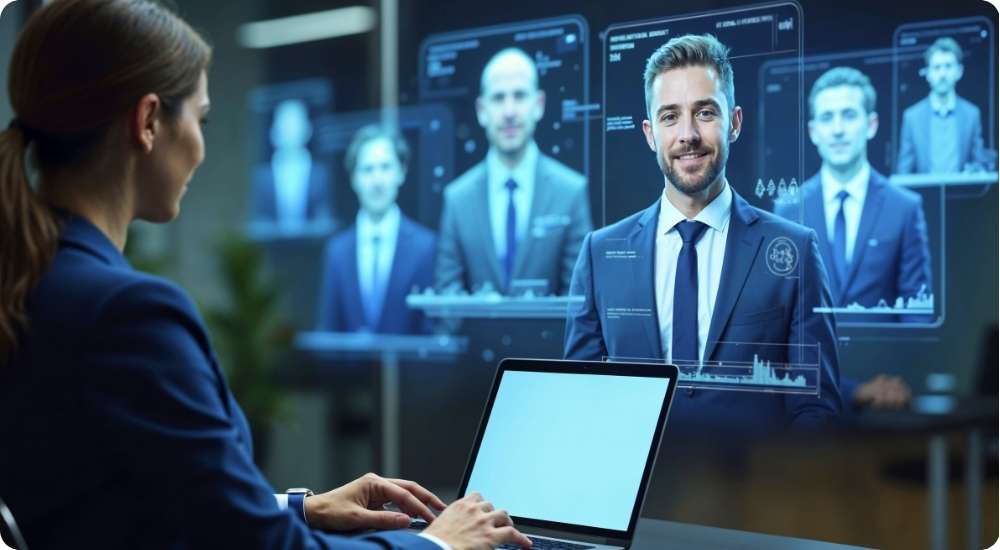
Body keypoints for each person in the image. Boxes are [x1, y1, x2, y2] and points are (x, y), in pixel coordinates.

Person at [0, 2, 530, 549]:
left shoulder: (33, 279)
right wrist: (439, 544)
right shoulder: (126, 312)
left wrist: (300, 507)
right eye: (200, 120)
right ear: (149, 121)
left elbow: (110, 496)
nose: (202, 149)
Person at [563, 34, 841, 434]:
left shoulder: (795, 248)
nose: (687, 134)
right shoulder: (599, 253)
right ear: (649, 133)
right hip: (640, 495)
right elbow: (578, 400)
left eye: (705, 113)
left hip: (754, 490)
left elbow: (816, 409)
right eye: (669, 116)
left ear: (734, 123)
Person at [776, 67, 926, 411]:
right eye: (827, 118)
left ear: (870, 124)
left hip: (890, 402)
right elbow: (779, 325)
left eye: (849, 115)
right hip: (809, 404)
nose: (838, 129)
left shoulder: (904, 208)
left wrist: (896, 383)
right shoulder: (786, 211)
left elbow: (916, 315)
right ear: (813, 132)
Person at [435, 47, 591, 296]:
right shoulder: (457, 199)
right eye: (498, 98)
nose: (509, 111)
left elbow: (579, 298)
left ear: (538, 104)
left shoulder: (570, 192)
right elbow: (447, 293)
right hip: (478, 336)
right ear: (481, 111)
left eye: (519, 96)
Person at [316, 125, 435, 334]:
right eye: (367, 169)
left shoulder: (426, 247)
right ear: (354, 179)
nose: (377, 180)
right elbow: (329, 332)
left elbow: (431, 330)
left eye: (385, 167)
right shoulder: (337, 251)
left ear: (401, 173)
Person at [897, 37, 985, 174]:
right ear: (927, 74)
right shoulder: (912, 117)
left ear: (959, 71)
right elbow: (903, 171)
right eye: (937, 67)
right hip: (926, 194)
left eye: (948, 66)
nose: (942, 74)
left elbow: (979, 165)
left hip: (963, 194)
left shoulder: (972, 114)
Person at [250, 99, 334, 234]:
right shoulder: (263, 178)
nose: (290, 132)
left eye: (295, 125)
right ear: (274, 133)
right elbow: (260, 224)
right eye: (285, 126)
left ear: (307, 130)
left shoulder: (320, 175)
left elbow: (324, 220)